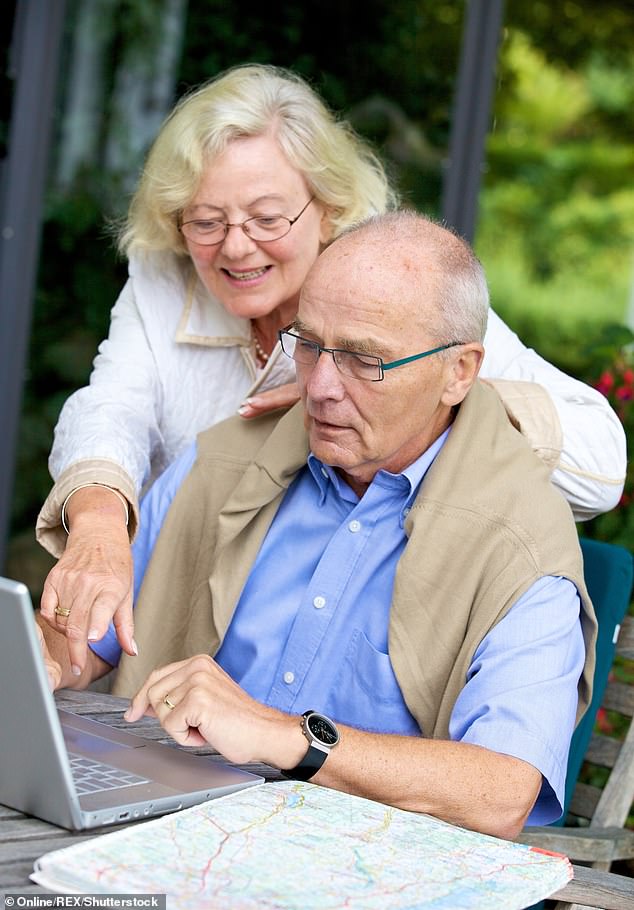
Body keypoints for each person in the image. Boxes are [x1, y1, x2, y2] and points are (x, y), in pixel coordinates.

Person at [36, 64, 622, 677]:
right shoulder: (165, 277)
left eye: (267, 219)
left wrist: (404, 385)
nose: (235, 247)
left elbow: (602, 468)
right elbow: (111, 408)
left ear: (330, 207)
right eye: (206, 221)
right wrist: (99, 528)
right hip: (170, 638)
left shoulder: (395, 295)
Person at [40, 212, 597, 840]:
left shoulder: (522, 538)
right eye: (309, 345)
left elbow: (502, 791)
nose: (321, 387)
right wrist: (43, 657)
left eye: (364, 360)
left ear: (459, 372)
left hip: (352, 872)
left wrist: (287, 737)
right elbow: (83, 640)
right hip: (150, 829)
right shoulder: (224, 459)